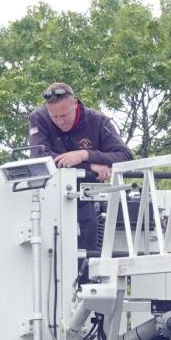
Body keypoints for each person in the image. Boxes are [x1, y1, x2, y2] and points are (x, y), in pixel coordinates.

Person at [28, 82, 132, 254]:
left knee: (89, 228)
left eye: (64, 115)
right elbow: (39, 157)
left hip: (86, 195)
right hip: (49, 194)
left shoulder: (98, 121)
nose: (60, 121)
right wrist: (89, 164)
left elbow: (125, 156)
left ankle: (84, 276)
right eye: (55, 117)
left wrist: (85, 154)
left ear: (75, 104)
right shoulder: (39, 118)